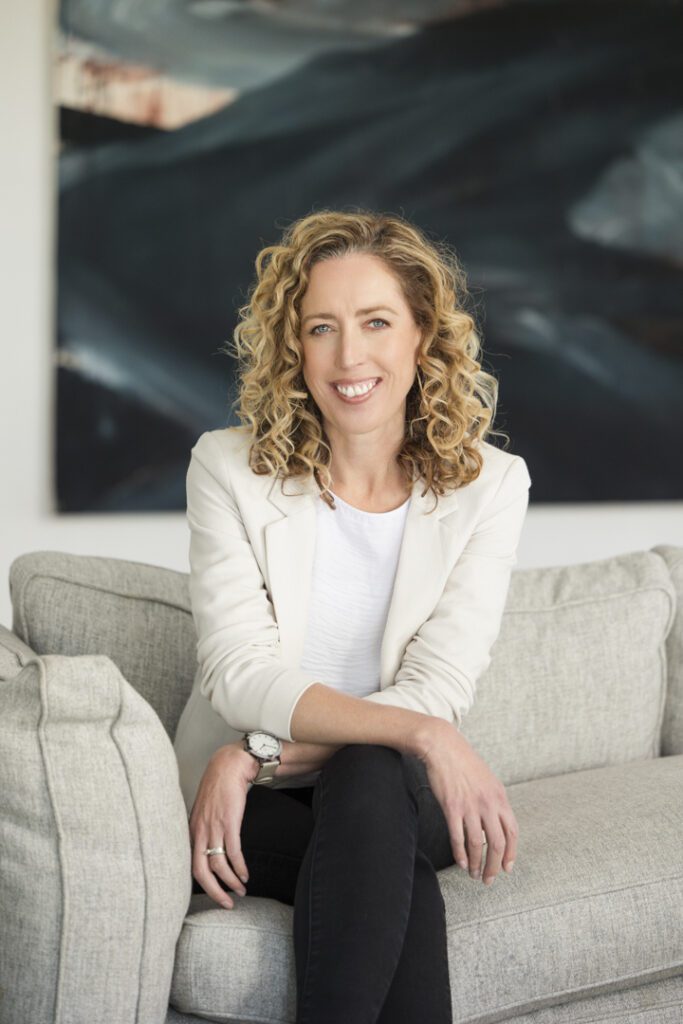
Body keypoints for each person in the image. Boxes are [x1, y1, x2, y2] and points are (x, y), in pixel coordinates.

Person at [172, 207, 532, 1024]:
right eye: (320, 328)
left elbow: (437, 683)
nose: (349, 356)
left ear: (420, 337)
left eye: (375, 322)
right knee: (390, 864)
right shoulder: (227, 468)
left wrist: (258, 755)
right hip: (250, 810)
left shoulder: (490, 487)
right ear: (292, 349)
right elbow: (239, 671)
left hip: (361, 787)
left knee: (372, 774)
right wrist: (427, 736)